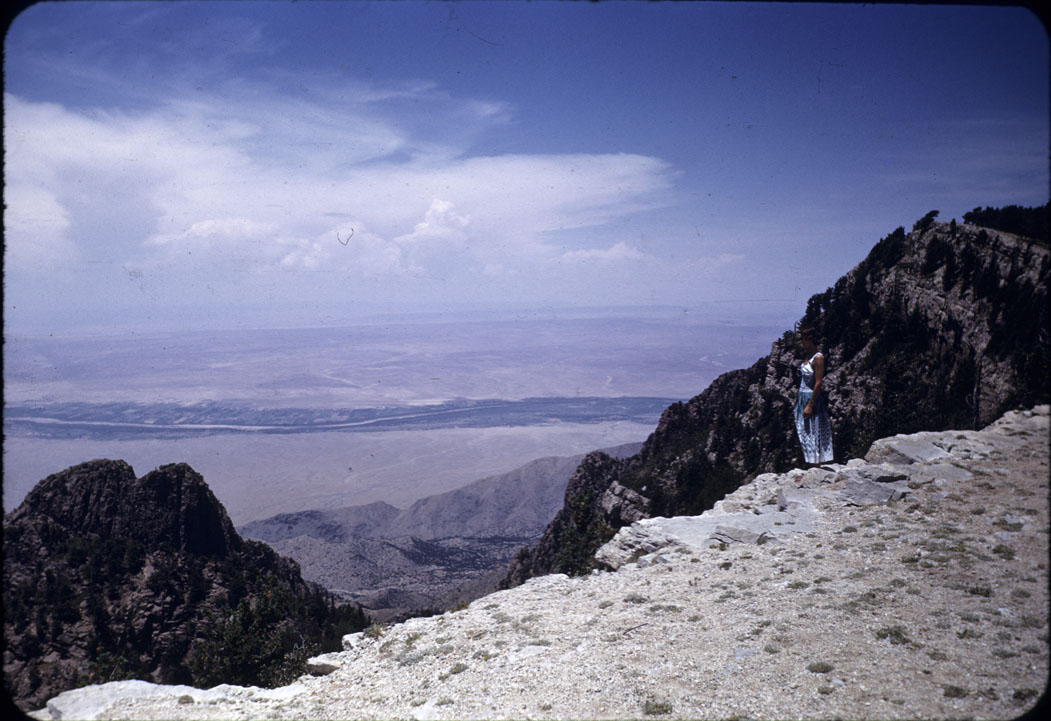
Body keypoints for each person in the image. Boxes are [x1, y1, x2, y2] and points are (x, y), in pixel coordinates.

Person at [794, 326, 833, 465]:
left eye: (803, 339)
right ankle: (811, 462)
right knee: (805, 431)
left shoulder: (818, 358)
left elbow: (818, 382)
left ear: (809, 339)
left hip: (811, 397)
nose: (801, 342)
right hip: (802, 396)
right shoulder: (808, 356)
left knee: (813, 431)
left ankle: (817, 463)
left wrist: (810, 404)